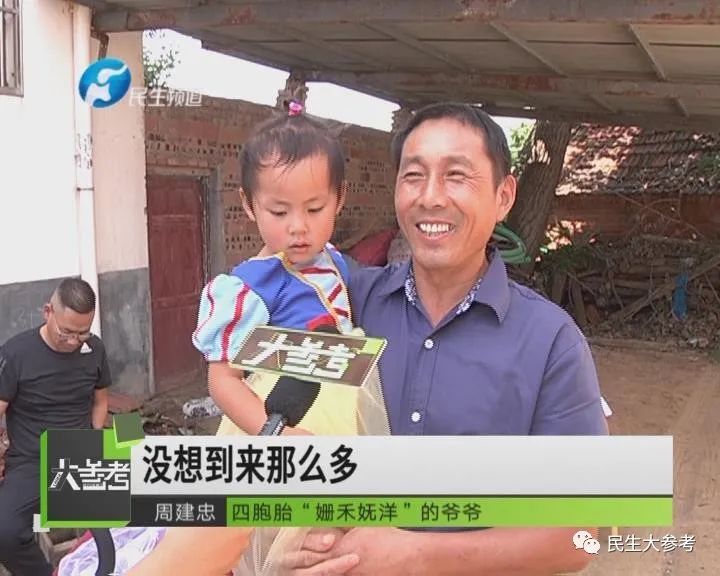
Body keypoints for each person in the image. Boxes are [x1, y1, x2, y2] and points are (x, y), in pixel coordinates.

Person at [281, 102, 609, 575]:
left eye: (457, 176)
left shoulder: (551, 342)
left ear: (504, 196)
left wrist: (415, 555)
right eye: (413, 176)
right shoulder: (346, 302)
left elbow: (580, 535)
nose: (430, 197)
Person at [192, 100, 351, 435]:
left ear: (339, 199)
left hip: (350, 403)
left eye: (315, 208)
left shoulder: (335, 260)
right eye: (279, 212)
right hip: (284, 415)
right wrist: (275, 434)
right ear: (249, 204)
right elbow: (222, 379)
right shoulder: (249, 288)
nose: (298, 227)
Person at [0, 278, 111, 576]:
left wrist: (96, 437)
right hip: (32, 463)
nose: (75, 341)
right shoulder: (15, 354)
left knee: (140, 513)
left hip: (80, 454)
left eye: (83, 333)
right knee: (5, 531)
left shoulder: (95, 349)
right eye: (67, 332)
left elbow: (101, 402)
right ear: (47, 311)